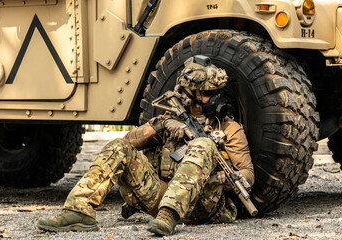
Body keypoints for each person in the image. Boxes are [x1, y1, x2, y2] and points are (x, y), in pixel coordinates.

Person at [37, 55, 254, 236]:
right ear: (189, 93)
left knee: (204, 144)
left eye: (216, 93)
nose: (215, 98)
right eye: (207, 93)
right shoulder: (171, 119)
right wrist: (164, 124)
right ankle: (79, 211)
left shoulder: (228, 127)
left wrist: (221, 177)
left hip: (199, 205)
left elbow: (248, 174)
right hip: (158, 198)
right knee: (117, 147)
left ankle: (170, 214)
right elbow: (129, 142)